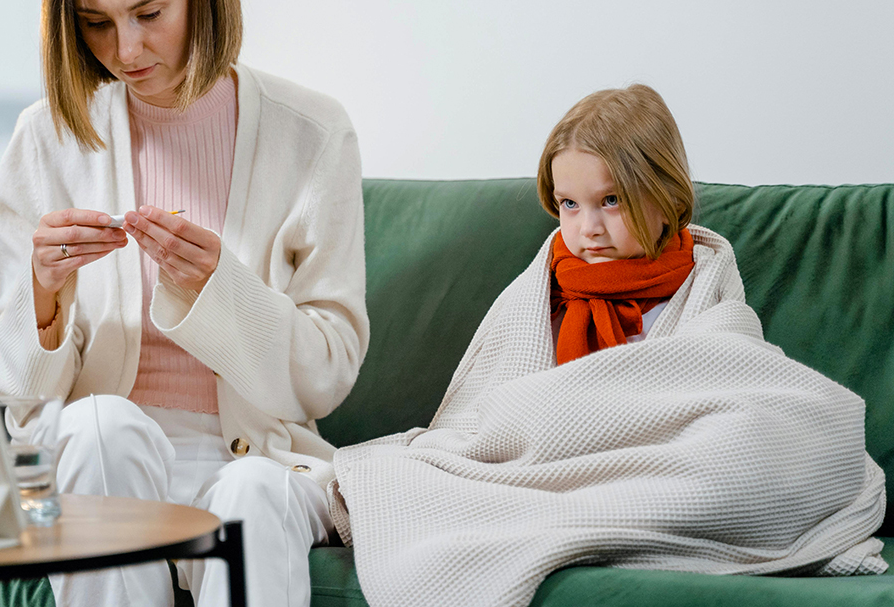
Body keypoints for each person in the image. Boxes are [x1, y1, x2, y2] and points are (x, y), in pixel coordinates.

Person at [328, 85, 885, 607]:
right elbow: (489, 407)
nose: (587, 227)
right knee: (418, 468)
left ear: (665, 199)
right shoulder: (544, 285)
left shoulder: (704, 276)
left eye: (611, 201)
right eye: (569, 204)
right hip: (544, 464)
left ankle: (594, 513)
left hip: (652, 462)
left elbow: (730, 380)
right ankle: (564, 512)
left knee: (752, 439)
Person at [0, 0, 369, 607]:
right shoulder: (48, 139)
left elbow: (329, 376)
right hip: (106, 453)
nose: (125, 49)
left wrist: (224, 291)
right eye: (95, 23)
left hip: (261, 455)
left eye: (148, 12)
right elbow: (21, 397)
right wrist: (43, 298)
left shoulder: (312, 133)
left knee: (255, 491)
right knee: (96, 427)